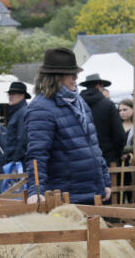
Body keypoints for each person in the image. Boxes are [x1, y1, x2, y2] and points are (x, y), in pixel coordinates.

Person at [24, 47, 110, 203]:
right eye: (71, 73)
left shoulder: (79, 101)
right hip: (66, 196)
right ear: (56, 77)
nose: (76, 77)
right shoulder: (40, 108)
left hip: (92, 192)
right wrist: (36, 190)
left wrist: (105, 181)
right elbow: (37, 154)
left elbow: (93, 145)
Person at [79, 73, 127, 168]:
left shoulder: (77, 104)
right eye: (103, 87)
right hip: (107, 157)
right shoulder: (108, 105)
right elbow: (119, 135)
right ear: (98, 86)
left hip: (82, 158)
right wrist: (116, 153)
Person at [3, 81, 30, 190]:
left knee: (19, 195)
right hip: (17, 161)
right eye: (9, 94)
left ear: (22, 96)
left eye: (13, 94)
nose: (10, 96)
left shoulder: (22, 112)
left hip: (19, 163)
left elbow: (22, 139)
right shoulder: (18, 112)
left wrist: (14, 161)